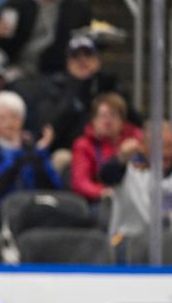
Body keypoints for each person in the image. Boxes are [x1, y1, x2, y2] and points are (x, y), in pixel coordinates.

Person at [0, 91, 62, 213]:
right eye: (2, 118)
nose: (9, 123)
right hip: (0, 211)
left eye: (14, 117)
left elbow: (54, 187)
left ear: (22, 121)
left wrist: (38, 155)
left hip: (35, 209)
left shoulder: (33, 150)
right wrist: (16, 158)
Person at [100, 120, 172, 263]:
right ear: (143, 146)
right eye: (157, 147)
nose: (164, 153)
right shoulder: (128, 169)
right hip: (127, 243)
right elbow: (106, 175)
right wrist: (121, 157)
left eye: (169, 146)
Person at [71, 93, 142, 204]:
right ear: (93, 120)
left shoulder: (137, 139)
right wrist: (101, 192)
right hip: (103, 201)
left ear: (122, 120)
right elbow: (80, 182)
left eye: (113, 115)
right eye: (103, 116)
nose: (108, 121)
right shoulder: (83, 145)